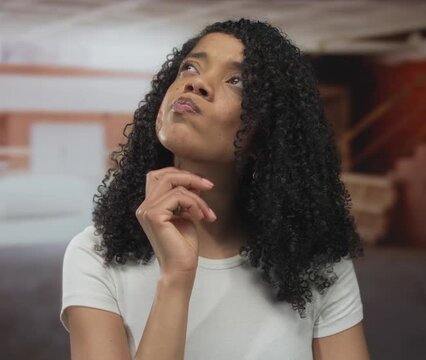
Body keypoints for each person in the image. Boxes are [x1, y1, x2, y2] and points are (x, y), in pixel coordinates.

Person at [61, 18, 369, 360]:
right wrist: (175, 278)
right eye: (190, 67)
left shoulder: (316, 261)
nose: (197, 84)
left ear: (264, 135)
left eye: (236, 81)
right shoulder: (95, 254)